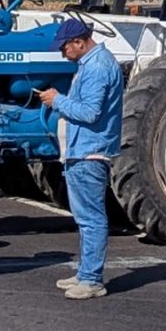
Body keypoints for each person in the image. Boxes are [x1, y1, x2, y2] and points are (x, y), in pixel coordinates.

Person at [39, 18, 123, 300]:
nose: (64, 53)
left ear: (79, 41)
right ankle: (86, 271)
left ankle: (92, 279)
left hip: (90, 151)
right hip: (83, 150)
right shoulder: (91, 64)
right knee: (86, 217)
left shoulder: (97, 67)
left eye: (65, 48)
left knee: (91, 218)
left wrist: (57, 100)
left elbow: (89, 113)